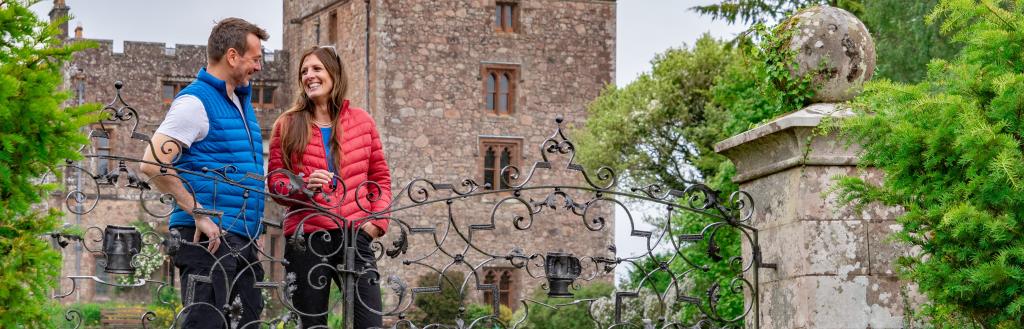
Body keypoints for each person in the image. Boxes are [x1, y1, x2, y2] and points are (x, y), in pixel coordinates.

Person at [140, 17, 268, 329]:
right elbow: (151, 163)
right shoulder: (194, 102)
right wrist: (198, 213)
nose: (260, 67)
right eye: (256, 58)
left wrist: (255, 230)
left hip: (240, 239)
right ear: (233, 56)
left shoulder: (240, 101)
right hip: (205, 242)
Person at [267, 45, 392, 328]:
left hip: (354, 235)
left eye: (316, 69)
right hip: (307, 236)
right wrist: (302, 186)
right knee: (313, 325)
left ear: (333, 74)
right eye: (304, 71)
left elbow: (380, 180)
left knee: (369, 322)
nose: (309, 76)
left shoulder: (362, 121)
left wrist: (376, 223)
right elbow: (276, 184)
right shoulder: (287, 124)